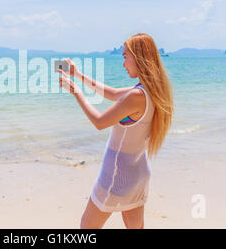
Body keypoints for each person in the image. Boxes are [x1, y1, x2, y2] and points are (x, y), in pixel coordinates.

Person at [58, 33, 174, 229]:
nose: (123, 63)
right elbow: (111, 93)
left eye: (124, 56)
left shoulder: (136, 96)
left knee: (87, 227)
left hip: (116, 177)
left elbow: (99, 122)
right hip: (138, 175)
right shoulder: (152, 90)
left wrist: (76, 91)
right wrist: (77, 74)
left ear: (138, 58)